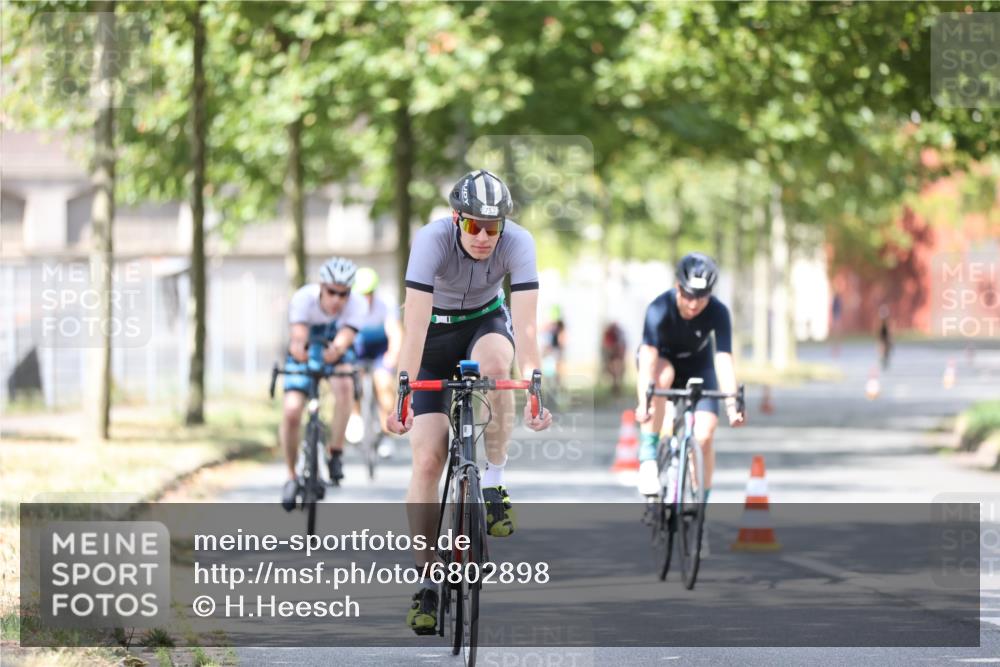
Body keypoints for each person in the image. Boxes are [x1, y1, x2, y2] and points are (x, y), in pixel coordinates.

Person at [385, 169, 553, 635]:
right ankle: (427, 580)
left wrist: (535, 386)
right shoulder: (430, 240)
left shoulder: (519, 243)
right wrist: (400, 392)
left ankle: (493, 483)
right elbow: (414, 328)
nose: (483, 237)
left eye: (493, 227)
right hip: (432, 340)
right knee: (428, 459)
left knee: (500, 365)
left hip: (484, 325)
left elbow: (527, 326)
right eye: (473, 225)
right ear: (455, 218)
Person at [634, 252, 745, 498]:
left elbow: (724, 357)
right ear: (677, 287)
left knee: (704, 435)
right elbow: (648, 355)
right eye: (688, 296)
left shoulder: (718, 312)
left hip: (698, 366)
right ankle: (649, 458)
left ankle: (700, 508)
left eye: (701, 297)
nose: (694, 304)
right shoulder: (659, 308)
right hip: (662, 362)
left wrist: (732, 404)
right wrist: (644, 400)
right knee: (662, 375)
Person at [280, 257, 367, 511]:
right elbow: (297, 341)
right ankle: (290, 475)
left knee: (345, 387)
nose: (337, 300)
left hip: (335, 347)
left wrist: (332, 354)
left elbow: (342, 343)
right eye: (331, 292)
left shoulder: (358, 305)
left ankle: (335, 452)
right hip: (306, 345)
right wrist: (306, 356)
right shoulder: (302, 299)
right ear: (321, 287)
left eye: (343, 294)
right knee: (292, 410)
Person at [352, 267, 402, 456]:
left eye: (369, 293)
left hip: (380, 346)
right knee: (351, 379)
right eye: (362, 294)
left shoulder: (385, 303)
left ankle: (386, 435)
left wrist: (392, 356)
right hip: (359, 346)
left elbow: (395, 332)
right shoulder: (350, 306)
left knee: (384, 385)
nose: (366, 297)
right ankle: (355, 416)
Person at [601, 321, 626, 396]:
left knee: (617, 372)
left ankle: (616, 388)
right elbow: (607, 346)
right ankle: (615, 388)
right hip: (612, 355)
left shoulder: (618, 334)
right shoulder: (609, 334)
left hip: (616, 355)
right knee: (614, 372)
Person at [877, 304, 891, 370]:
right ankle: (883, 359)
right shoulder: (880, 322)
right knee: (882, 347)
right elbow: (879, 331)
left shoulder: (887, 322)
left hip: (885, 335)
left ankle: (885, 359)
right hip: (882, 335)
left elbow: (889, 330)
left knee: (886, 348)